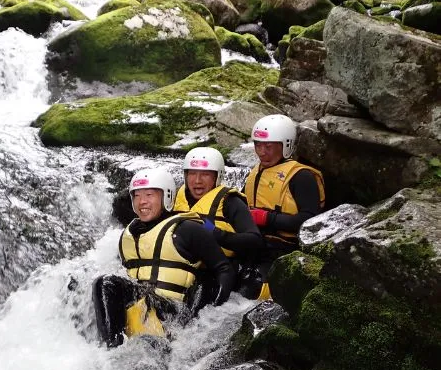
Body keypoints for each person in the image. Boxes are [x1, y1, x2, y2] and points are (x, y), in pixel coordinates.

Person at [92, 167, 235, 347]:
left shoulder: (187, 229)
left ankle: (112, 351)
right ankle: (112, 349)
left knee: (105, 282)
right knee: (103, 283)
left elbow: (224, 269)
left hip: (170, 315)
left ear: (167, 196)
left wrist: (212, 314)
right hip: (138, 310)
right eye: (136, 196)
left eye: (149, 195)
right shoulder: (128, 234)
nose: (141, 202)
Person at [243, 114, 325, 297]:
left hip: (285, 250)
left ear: (286, 145)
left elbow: (310, 222)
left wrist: (266, 218)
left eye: (268, 146)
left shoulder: (302, 177)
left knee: (253, 288)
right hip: (254, 245)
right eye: (257, 145)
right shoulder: (255, 173)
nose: (261, 152)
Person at [173, 147, 264, 298]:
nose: (197, 181)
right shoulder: (175, 197)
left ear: (217, 176)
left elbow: (255, 240)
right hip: (182, 269)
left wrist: (214, 232)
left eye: (205, 174)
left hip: (218, 271)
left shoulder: (231, 202)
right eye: (192, 173)